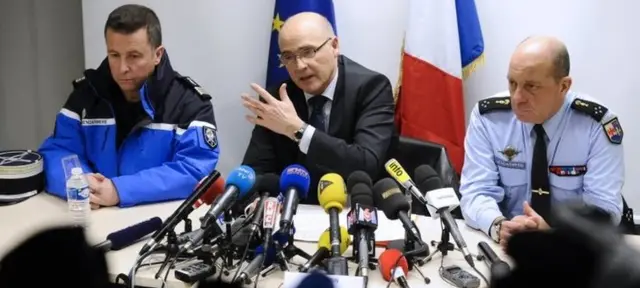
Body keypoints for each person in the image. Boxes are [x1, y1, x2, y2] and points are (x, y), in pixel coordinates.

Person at [38, 4, 219, 209]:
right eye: (114, 55)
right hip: (92, 217)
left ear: (157, 54)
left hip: (158, 227)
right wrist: (79, 182)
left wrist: (119, 190)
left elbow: (194, 170)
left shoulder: (190, 103)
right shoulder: (86, 94)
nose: (122, 68)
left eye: (134, 56)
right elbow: (58, 150)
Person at [459, 35, 624, 246]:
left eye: (531, 86)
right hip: (508, 245)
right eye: (512, 83)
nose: (517, 98)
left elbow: (604, 208)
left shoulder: (596, 125)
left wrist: (554, 235)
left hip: (574, 248)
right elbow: (476, 191)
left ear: (563, 86)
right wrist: (499, 225)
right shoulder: (489, 119)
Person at [240, 12, 395, 204]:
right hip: (293, 216)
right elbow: (255, 171)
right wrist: (257, 202)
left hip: (354, 214)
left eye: (308, 52)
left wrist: (298, 130)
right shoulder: (279, 99)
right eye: (288, 56)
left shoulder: (372, 87)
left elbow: (366, 163)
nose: (299, 66)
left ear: (334, 46)